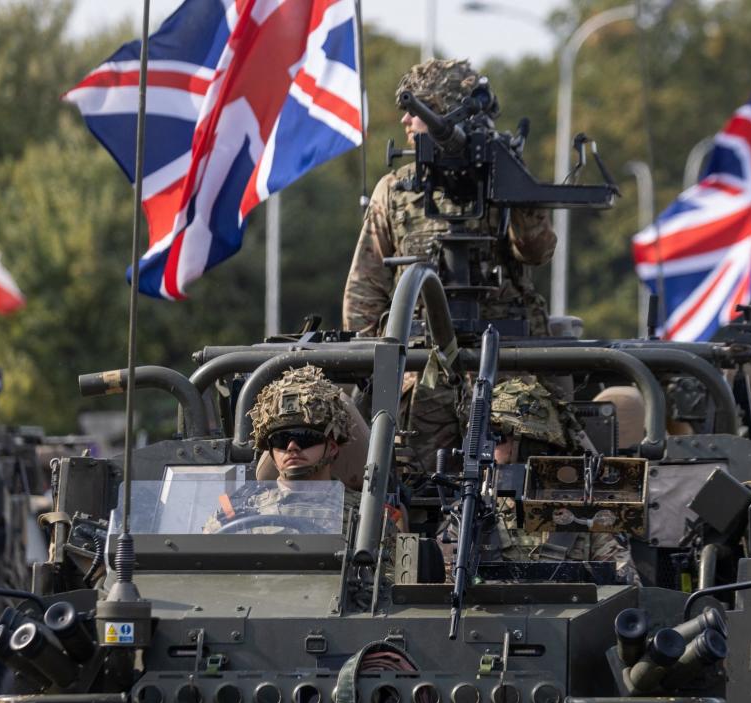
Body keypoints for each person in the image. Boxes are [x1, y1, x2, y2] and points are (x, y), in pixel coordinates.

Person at [342, 58, 557, 471]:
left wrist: (514, 184)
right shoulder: (396, 189)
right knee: (419, 478)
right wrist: (372, 368)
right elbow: (365, 289)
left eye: (420, 108)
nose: (407, 119)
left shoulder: (503, 175)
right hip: (423, 365)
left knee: (518, 475)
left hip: (506, 360)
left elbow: (537, 251)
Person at [480, 377, 639, 583]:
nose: (487, 447)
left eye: (497, 437)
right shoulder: (471, 512)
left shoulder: (587, 517)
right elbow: (440, 595)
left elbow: (627, 594)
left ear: (528, 444)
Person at [205, 366, 361, 534]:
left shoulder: (365, 513)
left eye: (306, 437)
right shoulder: (235, 510)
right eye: (280, 440)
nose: (291, 447)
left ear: (331, 448)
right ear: (271, 451)